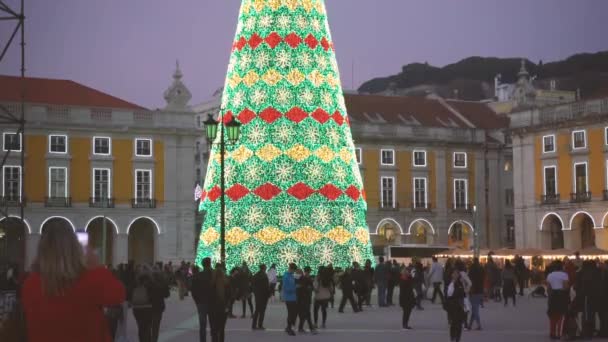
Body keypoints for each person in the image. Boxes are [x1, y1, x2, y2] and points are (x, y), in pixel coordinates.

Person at [21, 225, 125, 342]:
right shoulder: (90, 279)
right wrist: (96, 264)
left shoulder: (30, 284)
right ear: (74, 249)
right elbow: (118, 295)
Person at [546, 260, 570, 340]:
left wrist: (550, 296)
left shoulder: (550, 275)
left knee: (552, 315)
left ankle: (552, 333)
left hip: (552, 296)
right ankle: (559, 333)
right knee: (561, 315)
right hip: (561, 295)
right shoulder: (564, 275)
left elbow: (548, 288)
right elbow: (566, 287)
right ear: (561, 266)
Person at [191, 257, 213, 342]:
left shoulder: (197, 276)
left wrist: (197, 301)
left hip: (201, 302)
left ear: (203, 265)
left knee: (202, 325)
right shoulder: (213, 275)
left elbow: (193, 291)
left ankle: (202, 340)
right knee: (213, 324)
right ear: (210, 264)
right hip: (212, 302)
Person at [209, 264, 231, 342]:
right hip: (223, 308)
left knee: (214, 328)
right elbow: (229, 296)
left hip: (212, 309)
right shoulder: (226, 283)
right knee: (221, 329)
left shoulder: (211, 284)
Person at [446, 269, 466, 342]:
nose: (454, 275)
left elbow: (462, 293)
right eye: (453, 273)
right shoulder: (450, 283)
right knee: (453, 323)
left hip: (458, 305)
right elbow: (448, 294)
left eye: (456, 274)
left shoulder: (460, 283)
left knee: (458, 324)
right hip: (452, 306)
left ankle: (457, 339)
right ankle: (452, 338)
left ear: (458, 275)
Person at [251, 264, 270, 330]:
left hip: (257, 295)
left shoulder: (256, 275)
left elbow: (252, 285)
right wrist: (268, 295)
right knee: (262, 311)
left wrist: (255, 292)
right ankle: (260, 325)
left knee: (257, 310)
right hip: (263, 296)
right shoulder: (264, 276)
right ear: (264, 268)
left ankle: (254, 325)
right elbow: (266, 287)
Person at [468, 257, 484, 330]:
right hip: (480, 290)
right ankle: (470, 325)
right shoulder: (481, 268)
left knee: (475, 309)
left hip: (473, 290)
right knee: (475, 308)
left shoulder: (471, 269)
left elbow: (469, 280)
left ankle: (478, 325)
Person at [282, 263, 298, 336]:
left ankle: (289, 327)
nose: (294, 272)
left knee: (292, 313)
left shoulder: (292, 275)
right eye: (294, 270)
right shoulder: (286, 276)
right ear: (291, 269)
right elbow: (286, 288)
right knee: (292, 313)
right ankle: (290, 328)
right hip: (289, 298)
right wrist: (295, 288)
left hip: (293, 297)